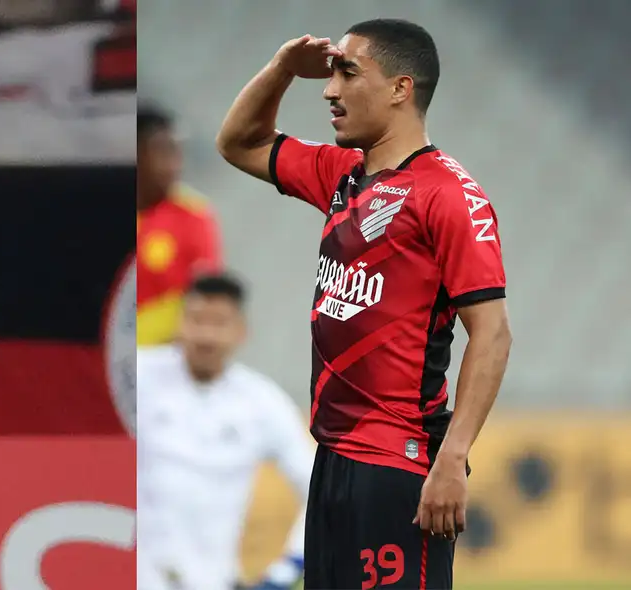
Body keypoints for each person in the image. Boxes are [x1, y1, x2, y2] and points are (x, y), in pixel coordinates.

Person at [216, 18, 512, 590]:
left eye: (347, 72)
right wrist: (280, 70)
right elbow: (239, 143)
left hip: (397, 465)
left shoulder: (449, 195)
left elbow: (493, 333)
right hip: (332, 456)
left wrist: (452, 459)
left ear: (401, 88)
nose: (329, 90)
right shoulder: (342, 173)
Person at [137, 273, 315, 590]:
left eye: (219, 323)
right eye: (197, 320)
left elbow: (319, 488)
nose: (206, 335)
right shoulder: (138, 377)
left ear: (241, 331)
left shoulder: (262, 403)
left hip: (210, 580)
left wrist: (287, 570)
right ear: (179, 324)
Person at [137, 104, 223, 347]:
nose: (174, 163)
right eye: (163, 151)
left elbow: (204, 299)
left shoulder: (194, 216)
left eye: (177, 152)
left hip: (163, 357)